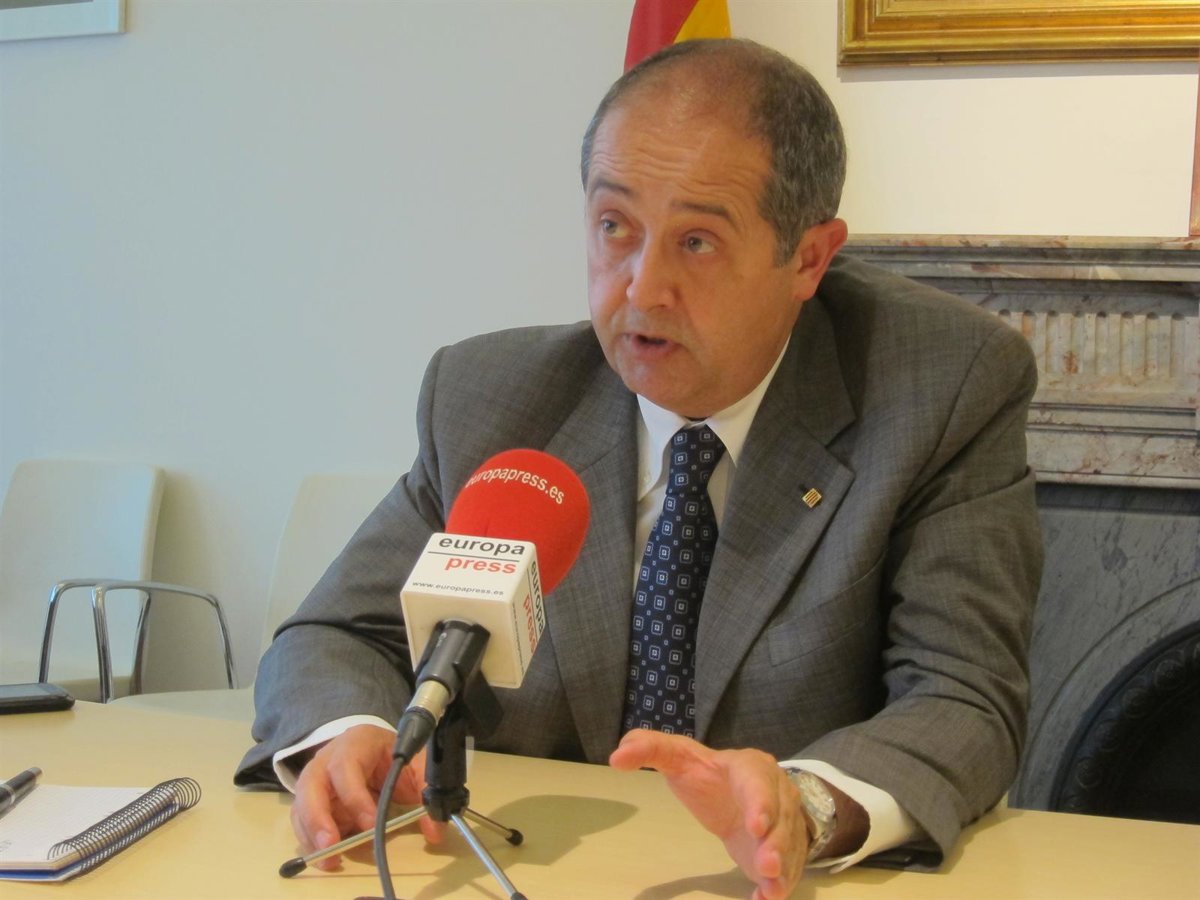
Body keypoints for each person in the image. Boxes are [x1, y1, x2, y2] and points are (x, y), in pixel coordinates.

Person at [236, 38, 1042, 899]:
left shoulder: (937, 388)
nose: (641, 288)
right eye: (614, 227)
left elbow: (962, 696)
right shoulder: (491, 401)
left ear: (809, 258)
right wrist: (347, 734)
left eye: (696, 241)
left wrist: (804, 806)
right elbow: (336, 634)